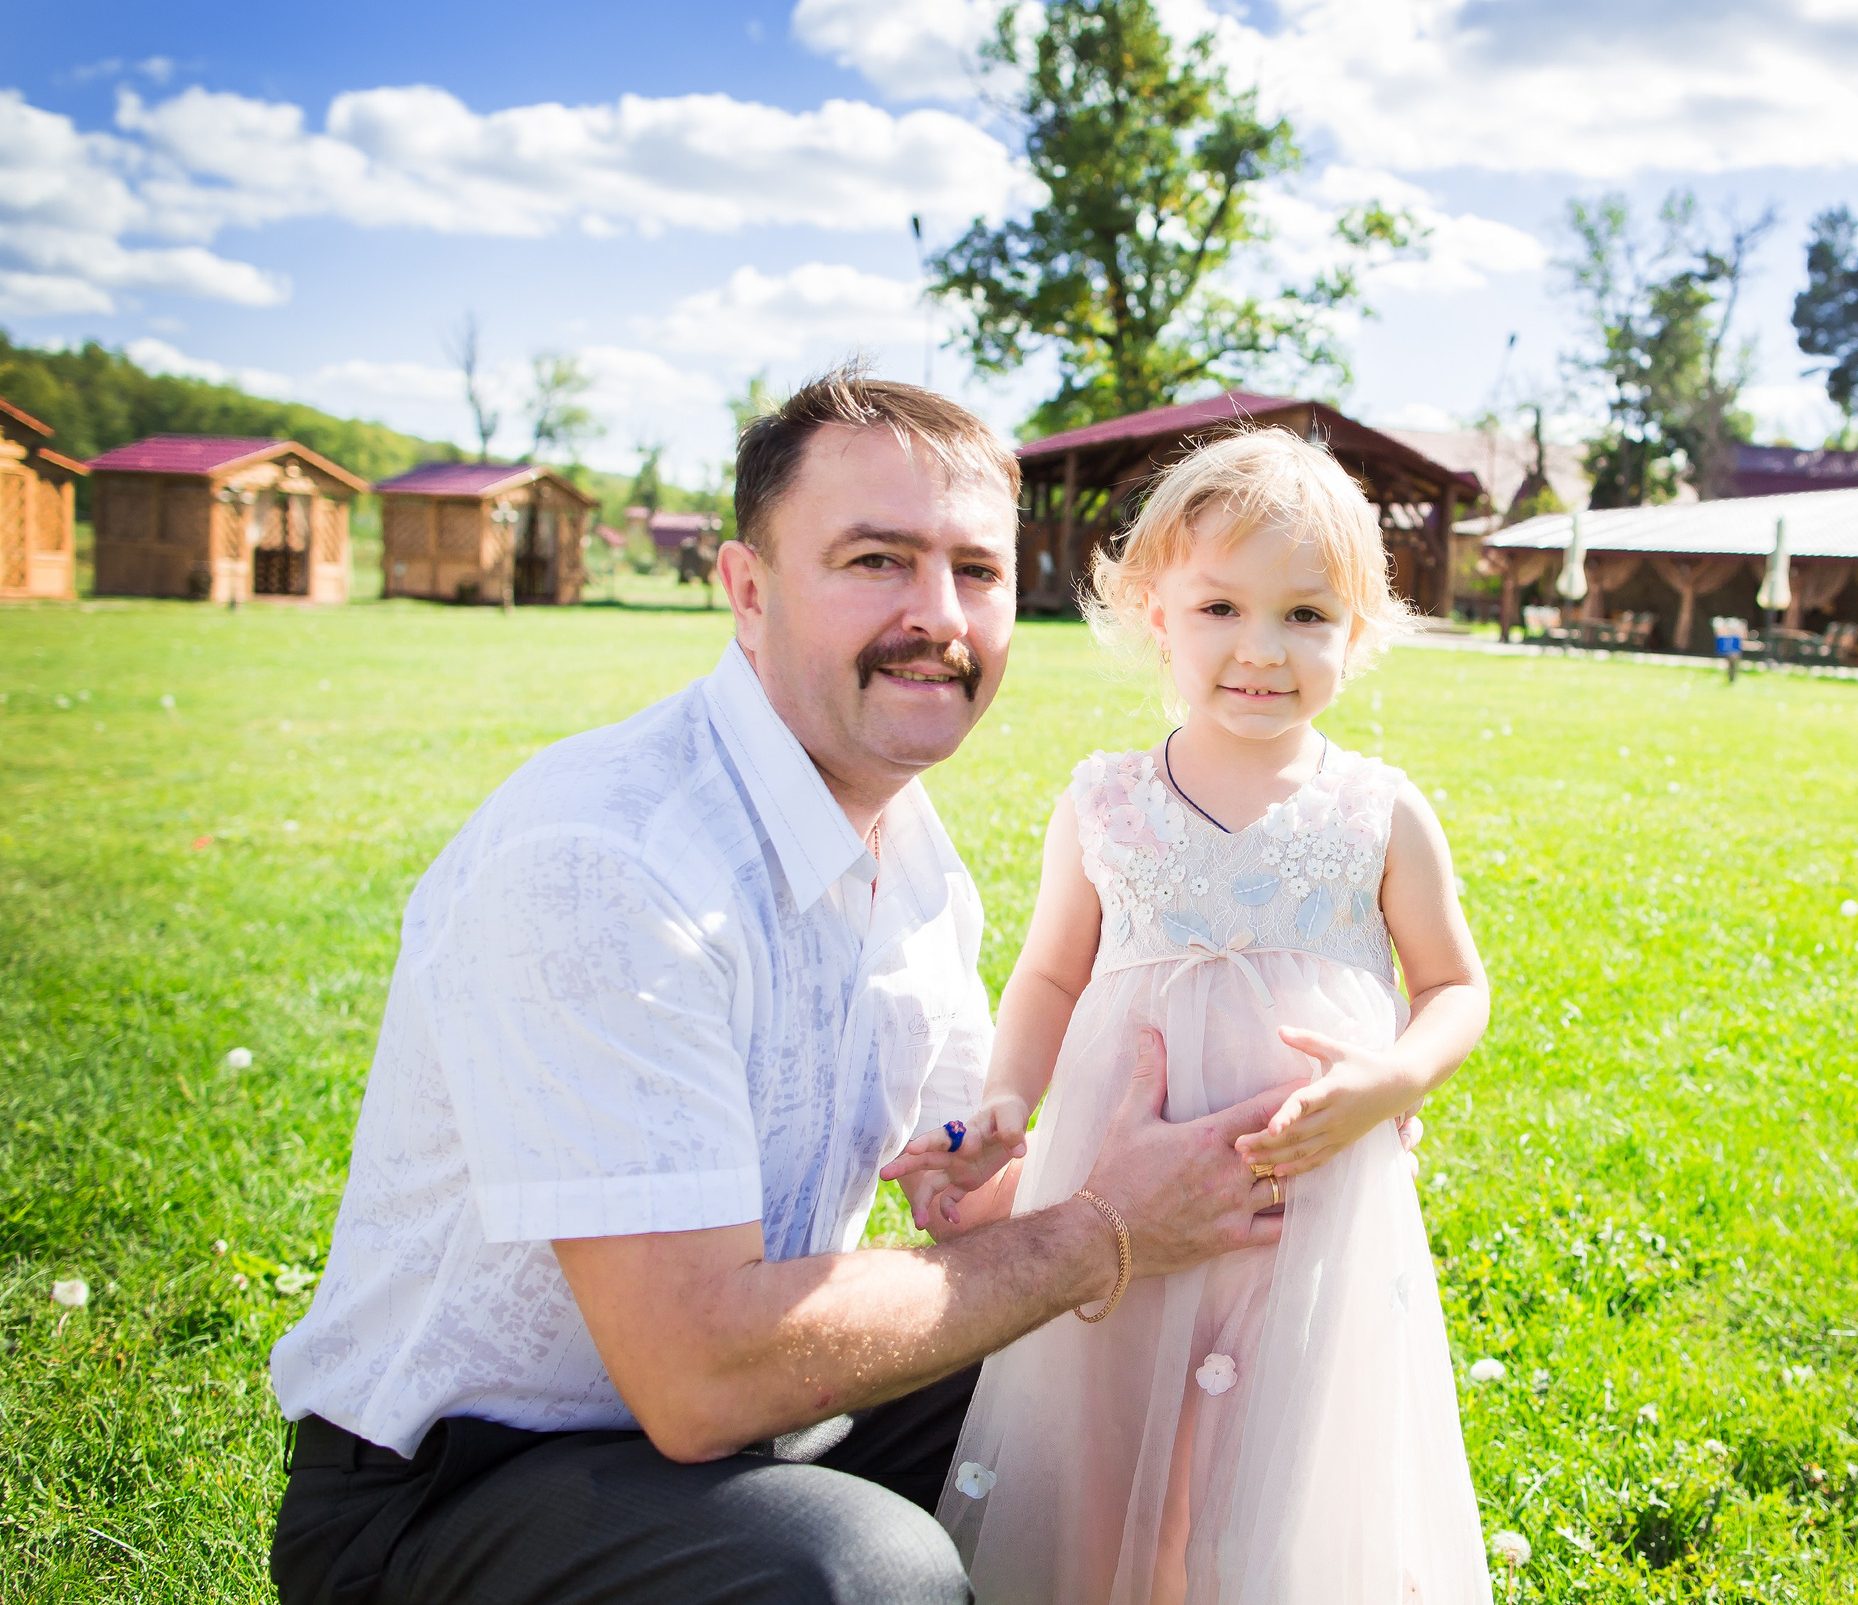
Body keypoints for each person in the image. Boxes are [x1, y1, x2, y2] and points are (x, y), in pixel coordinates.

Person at [265, 369, 1297, 1605]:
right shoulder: (607, 859)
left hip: (754, 1433)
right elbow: (697, 1376)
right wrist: (1101, 1232)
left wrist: (1251, 1141)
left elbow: (973, 1183)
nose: (939, 617)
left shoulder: (909, 852)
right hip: (456, 1495)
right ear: (747, 591)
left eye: (975, 571)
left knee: (1144, 1366)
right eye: (876, 560)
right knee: (861, 1576)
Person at [884, 427, 1496, 1603]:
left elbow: (1453, 986)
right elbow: (1050, 976)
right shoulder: (1106, 802)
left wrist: (1396, 1077)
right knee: (1108, 1441)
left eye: (1306, 615)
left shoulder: (1379, 811)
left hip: (1306, 1196)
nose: (1261, 649)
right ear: (1153, 614)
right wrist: (1008, 1099)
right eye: (1221, 607)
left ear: (1358, 631)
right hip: (1119, 1182)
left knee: (1274, 1458)